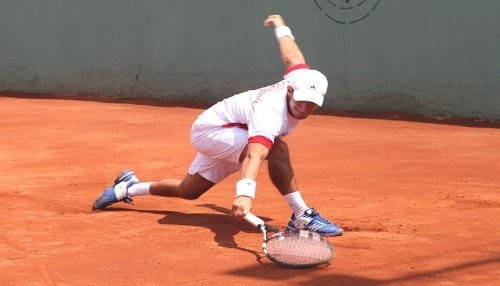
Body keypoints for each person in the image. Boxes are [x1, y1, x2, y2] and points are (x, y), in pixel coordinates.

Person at [92, 14, 343, 237]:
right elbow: (255, 156)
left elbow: (292, 55)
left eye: (311, 104)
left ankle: (127, 187)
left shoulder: (302, 78)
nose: (304, 108)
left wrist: (281, 26)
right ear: (290, 91)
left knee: (189, 190)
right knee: (276, 148)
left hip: (233, 132)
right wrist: (245, 193)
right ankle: (301, 215)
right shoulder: (270, 113)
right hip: (211, 131)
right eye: (300, 101)